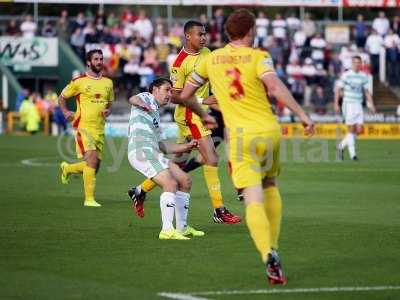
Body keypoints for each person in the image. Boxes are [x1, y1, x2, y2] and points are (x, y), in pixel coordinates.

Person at [179, 9, 314, 284]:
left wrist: (202, 113)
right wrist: (302, 115)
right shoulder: (259, 56)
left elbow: (184, 95)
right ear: (250, 31)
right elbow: (275, 88)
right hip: (267, 132)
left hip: (240, 138)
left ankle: (268, 255)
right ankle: (273, 246)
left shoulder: (212, 59)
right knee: (270, 185)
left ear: (228, 33)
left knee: (252, 198)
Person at [129, 20, 241, 224]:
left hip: (200, 113)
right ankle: (219, 209)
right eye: (199, 34)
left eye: (205, 34)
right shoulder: (180, 63)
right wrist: (204, 100)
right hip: (190, 114)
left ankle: (140, 190)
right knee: (212, 158)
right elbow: (176, 96)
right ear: (188, 36)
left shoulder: (207, 53)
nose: (204, 37)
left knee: (179, 164)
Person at [127, 78, 204, 240]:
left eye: (171, 91)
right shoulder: (147, 97)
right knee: (170, 183)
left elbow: (164, 146)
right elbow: (132, 99)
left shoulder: (156, 116)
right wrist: (143, 104)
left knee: (185, 180)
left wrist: (188, 146)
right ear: (155, 89)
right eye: (167, 90)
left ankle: (182, 228)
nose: (170, 94)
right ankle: (167, 230)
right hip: (140, 150)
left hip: (154, 152)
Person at [59, 49, 114, 207]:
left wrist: (108, 110)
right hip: (84, 127)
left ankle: (67, 169)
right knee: (91, 160)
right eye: (96, 59)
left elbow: (110, 102)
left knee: (94, 166)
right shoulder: (79, 81)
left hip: (100, 129)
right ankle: (89, 199)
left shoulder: (108, 83)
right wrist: (65, 111)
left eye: (101, 59)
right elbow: (62, 97)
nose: (99, 62)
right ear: (89, 62)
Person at [335, 56, 376, 161]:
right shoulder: (346, 75)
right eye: (355, 62)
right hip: (348, 104)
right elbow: (338, 89)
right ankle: (353, 155)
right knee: (351, 129)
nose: (357, 64)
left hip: (358, 105)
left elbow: (367, 92)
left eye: (359, 62)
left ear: (361, 63)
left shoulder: (363, 76)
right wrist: (336, 104)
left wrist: (372, 105)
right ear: (352, 63)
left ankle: (340, 146)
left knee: (359, 130)